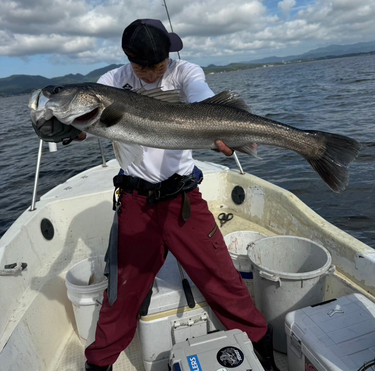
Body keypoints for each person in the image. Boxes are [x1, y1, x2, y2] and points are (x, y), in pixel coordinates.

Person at [32, 19, 280, 371]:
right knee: (121, 296)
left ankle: (261, 347)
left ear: (170, 53)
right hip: (136, 204)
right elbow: (86, 127)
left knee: (223, 280)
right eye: (142, 67)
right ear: (128, 60)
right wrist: (66, 130)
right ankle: (98, 364)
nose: (151, 74)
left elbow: (202, 99)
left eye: (159, 65)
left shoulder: (185, 72)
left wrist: (227, 130)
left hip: (183, 201)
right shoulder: (110, 83)